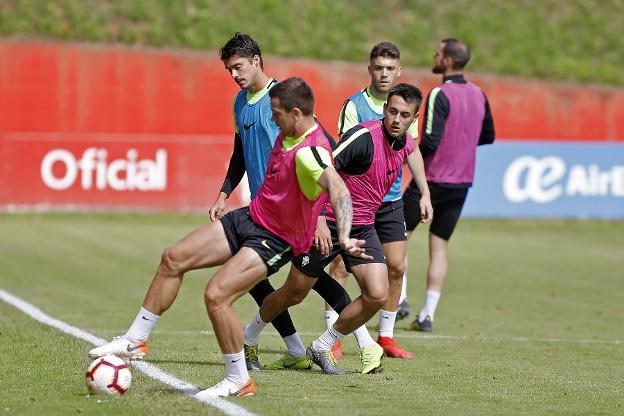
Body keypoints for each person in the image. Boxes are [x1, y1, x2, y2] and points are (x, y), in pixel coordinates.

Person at [89, 77, 368, 397]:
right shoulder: (291, 130)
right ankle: (135, 340)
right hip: (251, 217)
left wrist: (343, 236)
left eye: (275, 114)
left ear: (294, 113)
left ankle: (238, 379)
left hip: (275, 238)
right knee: (173, 257)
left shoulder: (311, 152)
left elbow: (339, 190)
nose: (271, 119)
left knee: (217, 295)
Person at [243, 84, 432, 375]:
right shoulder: (363, 137)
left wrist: (425, 192)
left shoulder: (405, 142)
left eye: (404, 115)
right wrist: (317, 216)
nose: (396, 119)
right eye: (392, 111)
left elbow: (413, 151)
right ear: (384, 109)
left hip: (362, 226)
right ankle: (249, 337)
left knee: (377, 294)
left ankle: (321, 347)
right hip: (326, 221)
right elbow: (322, 164)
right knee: (294, 293)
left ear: (413, 119)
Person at [207, 32, 311, 371]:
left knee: (312, 275)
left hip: (292, 206)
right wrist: (224, 193)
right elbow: (239, 153)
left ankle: (350, 341)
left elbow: (314, 143)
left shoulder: (282, 99)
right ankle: (297, 349)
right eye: (229, 71)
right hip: (261, 207)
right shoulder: (240, 102)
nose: (235, 75)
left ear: (256, 61)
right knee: (257, 276)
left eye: (238, 67)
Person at [328, 42, 420, 359]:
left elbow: (412, 149)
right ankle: (334, 337)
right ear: (370, 69)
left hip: (390, 202)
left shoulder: (407, 103)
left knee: (396, 267)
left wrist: (425, 191)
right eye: (378, 67)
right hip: (355, 204)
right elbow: (343, 156)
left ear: (398, 71)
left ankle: (386, 337)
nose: (384, 73)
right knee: (339, 267)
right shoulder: (354, 106)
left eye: (390, 68)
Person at [403, 38, 495, 332]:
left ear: (449, 61)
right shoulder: (479, 94)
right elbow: (488, 135)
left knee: (398, 236)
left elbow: (429, 140)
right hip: (462, 183)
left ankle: (401, 299)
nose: (435, 56)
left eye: (439, 53)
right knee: (439, 246)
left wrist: (407, 155)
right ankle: (427, 315)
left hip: (431, 181)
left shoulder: (439, 93)